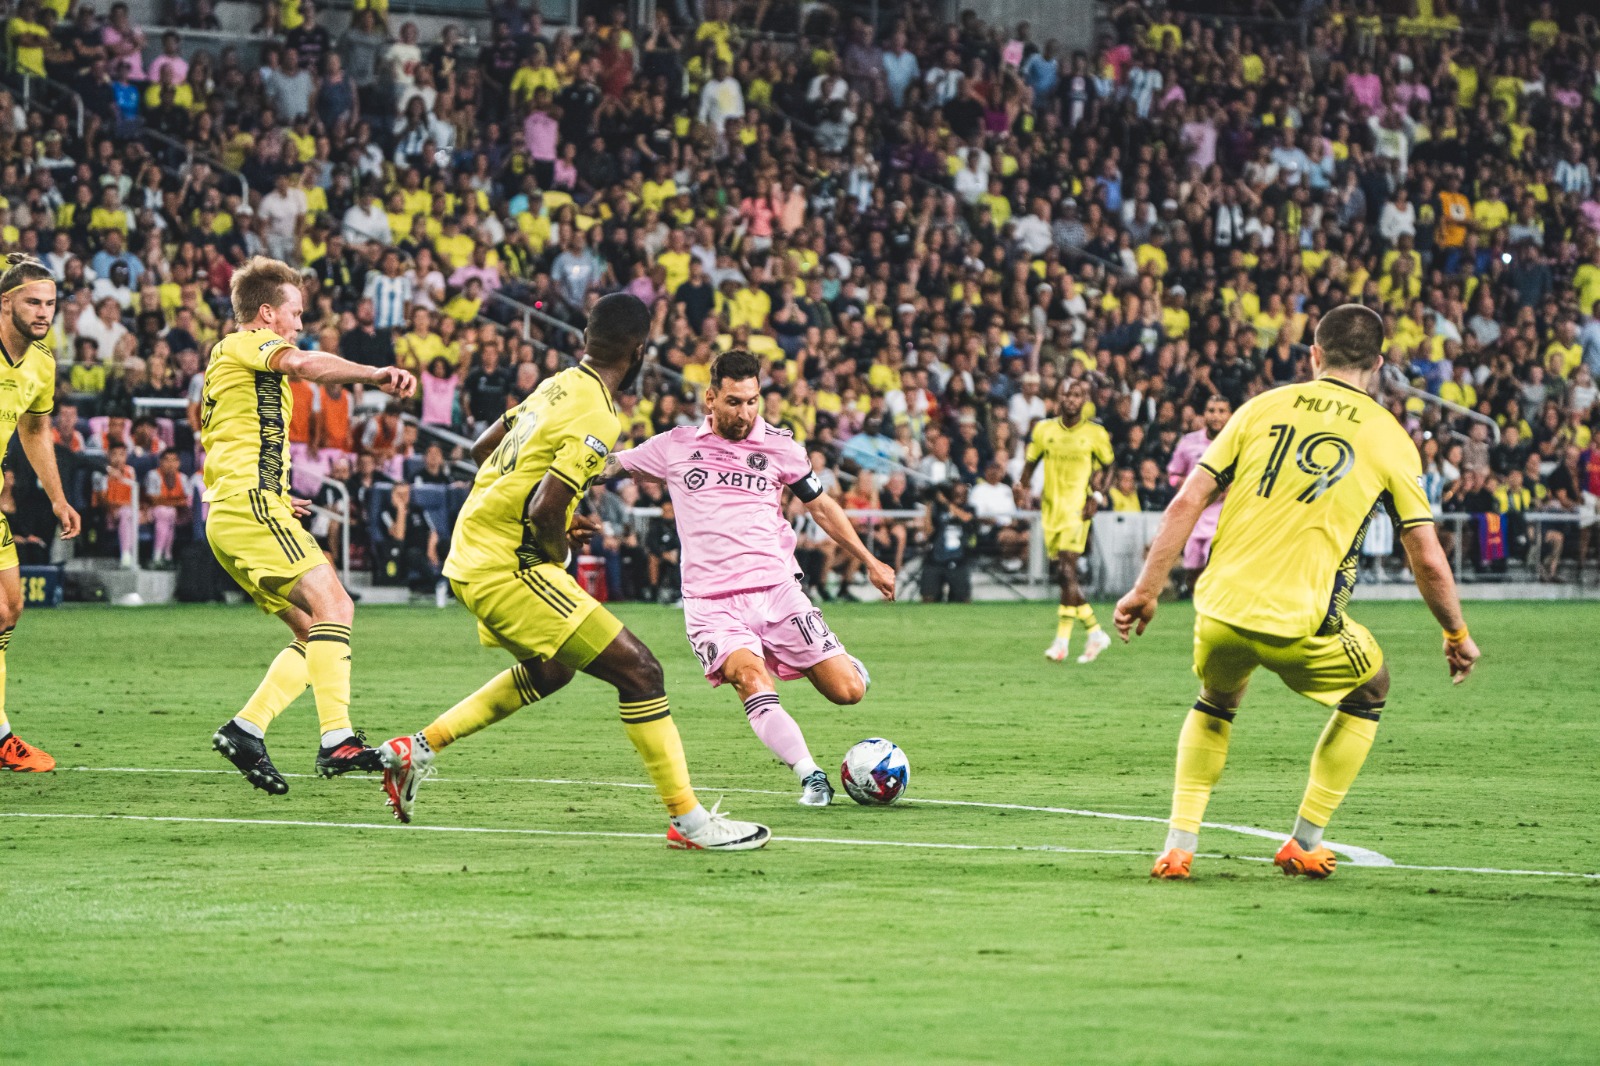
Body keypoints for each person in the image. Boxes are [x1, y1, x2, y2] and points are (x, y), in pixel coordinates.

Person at [377, 293, 770, 850]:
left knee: (552, 670)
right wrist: (555, 547)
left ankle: (414, 750)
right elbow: (540, 509)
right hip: (506, 562)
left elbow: (482, 447)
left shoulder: (558, 384)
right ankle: (691, 823)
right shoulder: (599, 412)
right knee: (641, 673)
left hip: (474, 549)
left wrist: (559, 511)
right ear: (638, 353)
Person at [1115, 305, 1480, 882]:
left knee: (1216, 699)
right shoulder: (1389, 436)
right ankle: (1304, 841)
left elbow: (1187, 501)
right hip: (1302, 624)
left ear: (1314, 354)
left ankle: (1179, 847)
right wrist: (1456, 633)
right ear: (1379, 364)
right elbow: (1426, 556)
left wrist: (1145, 590)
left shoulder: (1259, 408)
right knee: (1371, 689)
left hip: (1219, 609)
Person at [611, 349, 891, 805]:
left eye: (753, 401)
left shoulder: (781, 446)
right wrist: (565, 469)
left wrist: (871, 561)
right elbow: (610, 467)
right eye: (735, 402)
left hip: (778, 592)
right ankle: (811, 776)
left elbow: (820, 506)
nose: (745, 413)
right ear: (710, 399)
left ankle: (847, 666)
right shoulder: (675, 445)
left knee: (848, 692)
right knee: (750, 679)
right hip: (712, 603)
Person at [204, 257, 417, 795]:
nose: (299, 325)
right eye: (295, 314)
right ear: (267, 314)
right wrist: (372, 373)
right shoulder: (244, 343)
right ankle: (336, 739)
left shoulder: (235, 360)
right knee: (337, 607)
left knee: (311, 629)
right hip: (249, 508)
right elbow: (303, 365)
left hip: (242, 509)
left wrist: (274, 491)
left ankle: (246, 728)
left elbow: (237, 431)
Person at [0, 258, 83, 771]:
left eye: (51, 304)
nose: (44, 313)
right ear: (5, 302)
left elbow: (34, 430)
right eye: (33, 301)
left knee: (9, 607)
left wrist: (56, 496)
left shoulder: (41, 362)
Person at [1020, 378, 1114, 663]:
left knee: (1068, 569)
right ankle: (1096, 632)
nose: (1072, 399)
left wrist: (1096, 498)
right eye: (1066, 394)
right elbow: (1030, 463)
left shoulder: (1095, 434)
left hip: (1077, 509)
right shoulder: (1044, 430)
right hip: (1051, 509)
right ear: (1058, 398)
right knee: (1063, 574)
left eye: (1077, 395)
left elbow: (1110, 466)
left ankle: (1061, 643)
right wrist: (1019, 486)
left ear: (1084, 400)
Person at [1166, 395, 1234, 596]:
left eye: (1222, 411)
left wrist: (1232, 487)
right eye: (1211, 410)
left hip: (1224, 514)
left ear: (1230, 415)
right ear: (1204, 414)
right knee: (1193, 569)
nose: (1216, 416)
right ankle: (1199, 609)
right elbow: (1172, 476)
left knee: (1215, 566)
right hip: (1194, 515)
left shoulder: (1237, 442)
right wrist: (1188, 485)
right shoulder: (1189, 442)